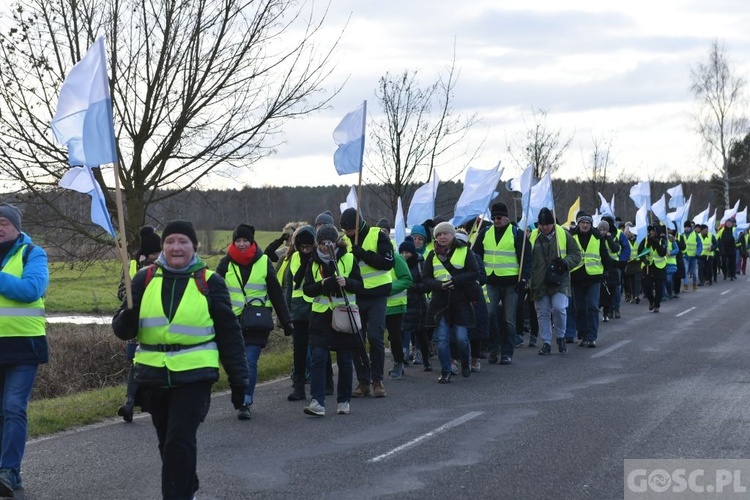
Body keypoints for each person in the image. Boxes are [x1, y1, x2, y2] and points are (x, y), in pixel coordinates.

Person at [112, 220, 249, 500]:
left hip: (195, 376)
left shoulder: (210, 283)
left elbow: (229, 335)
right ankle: (187, 482)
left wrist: (239, 381)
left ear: (194, 247)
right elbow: (124, 329)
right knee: (167, 444)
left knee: (178, 441)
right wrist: (125, 320)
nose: (176, 247)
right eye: (170, 242)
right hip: (153, 376)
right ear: (163, 247)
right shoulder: (143, 279)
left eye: (183, 242)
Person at [215, 223, 293, 420]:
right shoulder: (226, 263)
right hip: (232, 323)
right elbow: (212, 292)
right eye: (238, 240)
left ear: (252, 241)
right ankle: (240, 392)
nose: (241, 244)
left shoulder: (264, 261)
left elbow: (275, 292)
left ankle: (246, 401)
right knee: (236, 364)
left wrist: (286, 321)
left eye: (245, 240)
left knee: (250, 361)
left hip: (257, 322)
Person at [0, 204, 48, 497]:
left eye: (3, 222)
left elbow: (32, 289)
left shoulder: (33, 253)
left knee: (13, 408)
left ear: (16, 227)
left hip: (23, 346)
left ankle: (8, 470)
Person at [301, 224, 363, 416]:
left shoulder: (349, 258)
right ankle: (317, 402)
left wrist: (347, 282)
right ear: (318, 244)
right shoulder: (313, 263)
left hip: (343, 315)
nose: (325, 246)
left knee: (344, 360)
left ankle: (344, 401)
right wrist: (323, 285)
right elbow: (307, 290)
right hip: (320, 317)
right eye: (322, 243)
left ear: (336, 242)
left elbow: (360, 286)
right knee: (319, 358)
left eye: (329, 242)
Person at [340, 208, 394, 398]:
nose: (347, 233)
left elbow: (388, 262)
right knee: (357, 340)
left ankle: (377, 380)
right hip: (357, 295)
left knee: (375, 337)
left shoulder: (378, 235)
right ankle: (363, 382)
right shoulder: (344, 242)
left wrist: (363, 254)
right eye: (344, 230)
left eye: (349, 229)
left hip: (378, 294)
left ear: (358, 224)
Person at [472, 202, 531, 365]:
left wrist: (524, 279)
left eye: (498, 217)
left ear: (506, 217)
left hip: (512, 283)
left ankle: (507, 352)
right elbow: (475, 256)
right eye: (493, 218)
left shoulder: (518, 234)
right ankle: (494, 347)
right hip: (490, 282)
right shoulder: (484, 233)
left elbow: (526, 259)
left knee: (508, 319)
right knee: (488, 314)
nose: (496, 220)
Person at [422, 222, 479, 383]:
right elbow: (425, 278)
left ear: (452, 235)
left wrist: (456, 280)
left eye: (445, 234)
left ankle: (465, 363)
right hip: (440, 303)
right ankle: (445, 371)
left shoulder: (464, 250)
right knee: (442, 340)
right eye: (439, 235)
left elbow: (475, 273)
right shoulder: (432, 255)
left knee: (461, 338)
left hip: (460, 300)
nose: (442, 237)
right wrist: (439, 285)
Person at [117, 225, 162, 423]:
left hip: (160, 323)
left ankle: (152, 401)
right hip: (138, 323)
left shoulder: (167, 267)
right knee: (135, 364)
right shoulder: (132, 266)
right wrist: (129, 294)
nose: (157, 256)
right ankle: (129, 403)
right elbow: (120, 292)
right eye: (153, 253)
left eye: (159, 252)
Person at [529, 208, 582, 355]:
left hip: (560, 280)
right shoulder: (532, 237)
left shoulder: (563, 234)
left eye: (548, 224)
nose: (545, 227)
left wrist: (565, 262)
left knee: (559, 309)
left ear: (553, 223)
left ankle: (560, 336)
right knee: (543, 313)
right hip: (539, 282)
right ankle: (546, 342)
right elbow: (526, 259)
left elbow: (577, 254)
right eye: (542, 224)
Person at [570, 213, 616, 347]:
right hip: (577, 278)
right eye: (582, 222)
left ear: (591, 225)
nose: (585, 225)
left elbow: (604, 256)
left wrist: (611, 269)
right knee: (580, 309)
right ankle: (582, 334)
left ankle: (592, 336)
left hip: (594, 278)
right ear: (578, 224)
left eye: (587, 223)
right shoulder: (571, 237)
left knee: (593, 307)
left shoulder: (597, 237)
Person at [282, 225, 317, 402]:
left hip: (317, 309)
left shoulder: (319, 259)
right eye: (302, 247)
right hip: (297, 311)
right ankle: (299, 388)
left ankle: (323, 385)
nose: (305, 250)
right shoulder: (294, 258)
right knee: (299, 351)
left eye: (308, 247)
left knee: (319, 348)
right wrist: (285, 314)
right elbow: (289, 286)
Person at [378, 221, 412, 380]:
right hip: (376, 305)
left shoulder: (396, 256)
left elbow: (407, 279)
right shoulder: (371, 257)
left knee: (395, 336)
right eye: (379, 232)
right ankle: (375, 367)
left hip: (395, 306)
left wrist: (387, 288)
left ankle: (398, 362)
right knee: (376, 337)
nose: (382, 235)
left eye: (385, 231)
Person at [399, 238, 431, 372]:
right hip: (402, 303)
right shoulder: (398, 264)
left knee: (421, 334)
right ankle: (400, 361)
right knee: (400, 334)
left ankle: (426, 361)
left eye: (408, 252)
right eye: (402, 252)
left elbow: (427, 284)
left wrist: (413, 287)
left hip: (418, 304)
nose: (405, 255)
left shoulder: (420, 264)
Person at [638, 225, 668, 312]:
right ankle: (651, 300)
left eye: (654, 231)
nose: (652, 232)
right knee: (647, 287)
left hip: (660, 267)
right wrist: (644, 259)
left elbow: (662, 253)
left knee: (659, 288)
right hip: (648, 267)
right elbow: (640, 252)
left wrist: (655, 243)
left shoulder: (662, 240)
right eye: (650, 231)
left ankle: (657, 305)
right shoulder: (646, 240)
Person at [679, 220, 702, 291]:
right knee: (685, 270)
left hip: (694, 256)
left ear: (690, 227)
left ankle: (694, 283)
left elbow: (700, 245)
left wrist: (698, 253)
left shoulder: (695, 235)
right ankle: (685, 285)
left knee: (694, 271)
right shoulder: (682, 235)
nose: (687, 228)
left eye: (688, 227)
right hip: (685, 256)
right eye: (685, 227)